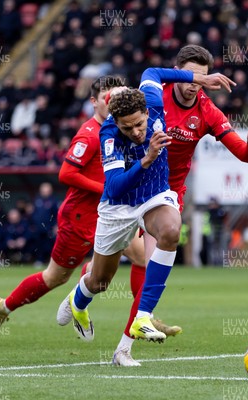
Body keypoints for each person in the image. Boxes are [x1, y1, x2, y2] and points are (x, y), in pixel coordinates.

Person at [0, 76, 188, 352]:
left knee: (142, 257)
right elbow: (67, 173)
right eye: (108, 95)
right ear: (97, 101)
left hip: (117, 211)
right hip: (81, 216)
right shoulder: (91, 134)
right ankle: (5, 305)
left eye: (118, 93)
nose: (113, 98)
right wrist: (106, 185)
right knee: (55, 277)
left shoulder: (127, 123)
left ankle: (143, 316)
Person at [108, 45, 248, 365]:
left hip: (166, 194)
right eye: (191, 75)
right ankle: (81, 296)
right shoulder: (154, 94)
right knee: (100, 278)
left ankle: (127, 343)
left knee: (162, 246)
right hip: (131, 184)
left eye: (202, 77)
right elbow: (148, 74)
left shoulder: (208, 112)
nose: (196, 83)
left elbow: (242, 154)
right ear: (179, 71)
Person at [56, 67, 231, 345]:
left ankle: (143, 317)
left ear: (148, 112)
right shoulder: (109, 134)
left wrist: (198, 78)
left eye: (139, 124)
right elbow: (113, 187)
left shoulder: (152, 99)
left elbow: (152, 71)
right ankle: (78, 300)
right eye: (128, 127)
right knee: (100, 281)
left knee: (171, 231)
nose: (136, 132)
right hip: (119, 207)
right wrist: (146, 159)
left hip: (154, 196)